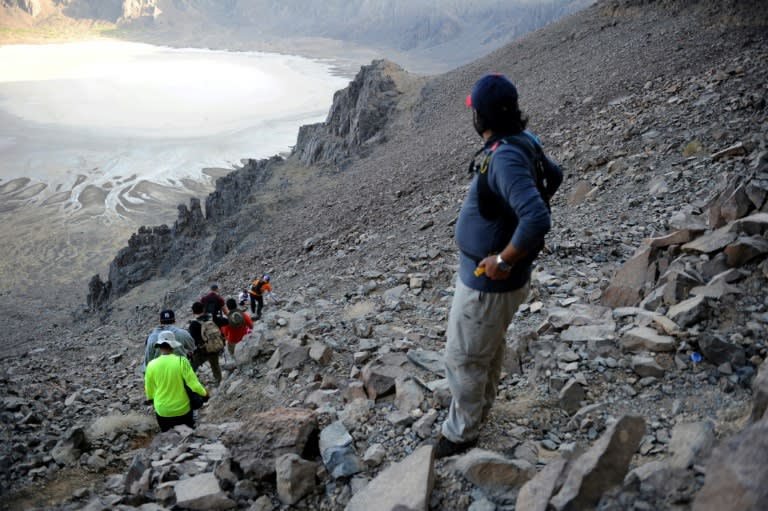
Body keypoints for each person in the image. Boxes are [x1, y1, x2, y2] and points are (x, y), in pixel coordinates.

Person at [435, 73, 562, 458]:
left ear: (483, 116)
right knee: (484, 350)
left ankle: (461, 436)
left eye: (474, 112)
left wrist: (504, 258)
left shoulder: (505, 155)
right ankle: (479, 411)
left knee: (465, 356)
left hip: (488, 285)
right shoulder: (524, 141)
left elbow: (537, 218)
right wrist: (508, 224)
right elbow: (553, 175)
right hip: (497, 283)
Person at [144, 336, 208, 432]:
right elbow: (194, 384)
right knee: (187, 436)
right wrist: (205, 394)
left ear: (159, 347)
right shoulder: (182, 361)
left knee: (167, 437)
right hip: (182, 409)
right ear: (173, 346)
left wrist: (150, 399)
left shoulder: (151, 364)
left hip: (162, 411)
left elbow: (149, 389)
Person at [188, 301, 223, 386]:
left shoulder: (193, 324)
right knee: (215, 365)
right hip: (215, 346)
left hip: (202, 351)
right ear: (203, 309)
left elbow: (193, 341)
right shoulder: (211, 318)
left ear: (193, 312)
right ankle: (219, 382)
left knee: (191, 367)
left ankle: (192, 385)